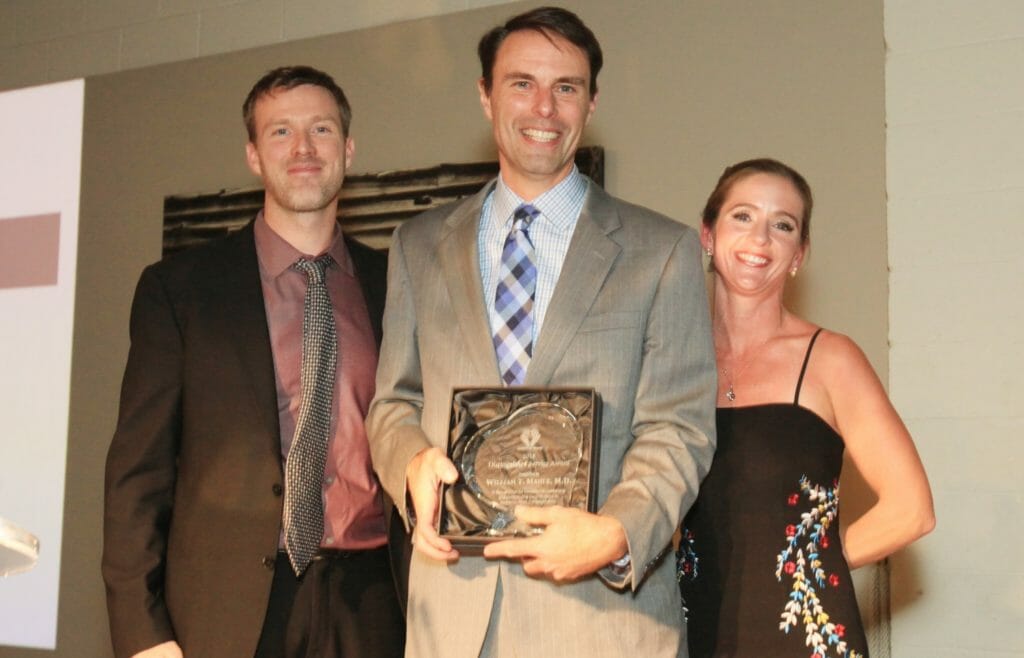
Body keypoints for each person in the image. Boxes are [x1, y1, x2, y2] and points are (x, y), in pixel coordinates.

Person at [366, 6, 716, 658]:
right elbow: (393, 404)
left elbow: (679, 425)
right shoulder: (416, 247)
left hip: (605, 622)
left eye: (566, 87)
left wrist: (616, 532)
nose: (544, 108)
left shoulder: (661, 252)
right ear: (484, 95)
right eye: (521, 83)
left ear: (591, 101)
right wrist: (410, 464)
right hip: (452, 616)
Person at [102, 66, 405, 658]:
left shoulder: (399, 284)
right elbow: (138, 474)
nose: (303, 149)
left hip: (375, 606)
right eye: (280, 132)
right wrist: (143, 634)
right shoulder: (181, 290)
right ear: (252, 155)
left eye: (321, 129)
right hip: (230, 612)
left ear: (348, 148)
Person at [677, 158, 935, 657]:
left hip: (802, 631)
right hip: (693, 629)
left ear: (799, 254)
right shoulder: (672, 361)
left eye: (783, 225)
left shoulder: (832, 360)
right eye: (743, 216)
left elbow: (912, 509)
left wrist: (812, 565)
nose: (761, 239)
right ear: (707, 235)